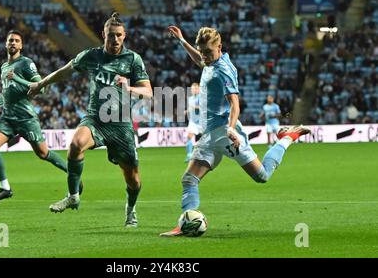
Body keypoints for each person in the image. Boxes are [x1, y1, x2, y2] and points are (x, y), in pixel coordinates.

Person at [160, 26, 310, 237]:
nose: (204, 56)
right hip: (209, 134)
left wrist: (231, 129)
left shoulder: (224, 70)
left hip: (224, 132)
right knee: (189, 179)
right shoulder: (210, 61)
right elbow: (200, 62)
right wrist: (182, 41)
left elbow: (235, 104)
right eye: (201, 51)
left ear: (219, 47)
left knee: (262, 176)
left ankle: (287, 138)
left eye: (208, 52)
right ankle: (187, 224)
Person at [28, 12, 152, 228]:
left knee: (133, 179)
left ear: (125, 36)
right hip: (95, 119)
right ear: (102, 34)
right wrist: (40, 84)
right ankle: (73, 195)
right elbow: (65, 71)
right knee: (76, 145)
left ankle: (131, 209)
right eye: (111, 35)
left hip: (121, 125)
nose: (115, 40)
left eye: (119, 36)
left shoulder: (133, 59)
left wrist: (129, 87)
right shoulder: (91, 56)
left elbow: (148, 92)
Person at [0, 30, 82, 203]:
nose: (13, 43)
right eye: (10, 41)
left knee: (43, 153)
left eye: (16, 41)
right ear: (5, 44)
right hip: (7, 117)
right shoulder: (4, 67)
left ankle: (72, 172)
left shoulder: (26, 63)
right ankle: (5, 187)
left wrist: (18, 78)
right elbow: (8, 92)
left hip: (25, 118)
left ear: (21, 45)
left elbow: (41, 88)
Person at [185, 83, 202, 162]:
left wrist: (194, 107)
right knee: (189, 136)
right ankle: (189, 155)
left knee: (203, 140)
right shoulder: (190, 98)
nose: (193, 90)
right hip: (193, 121)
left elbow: (203, 108)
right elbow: (190, 108)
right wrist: (186, 111)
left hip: (201, 121)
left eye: (195, 89)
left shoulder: (201, 98)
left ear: (198, 89)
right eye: (192, 89)